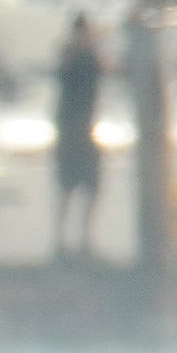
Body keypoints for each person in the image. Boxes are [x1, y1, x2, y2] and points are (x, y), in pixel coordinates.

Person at [50, 13, 108, 261]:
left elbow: (107, 68)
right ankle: (61, 241)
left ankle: (84, 239)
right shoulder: (70, 56)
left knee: (91, 187)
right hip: (69, 130)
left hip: (85, 129)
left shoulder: (90, 56)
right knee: (66, 188)